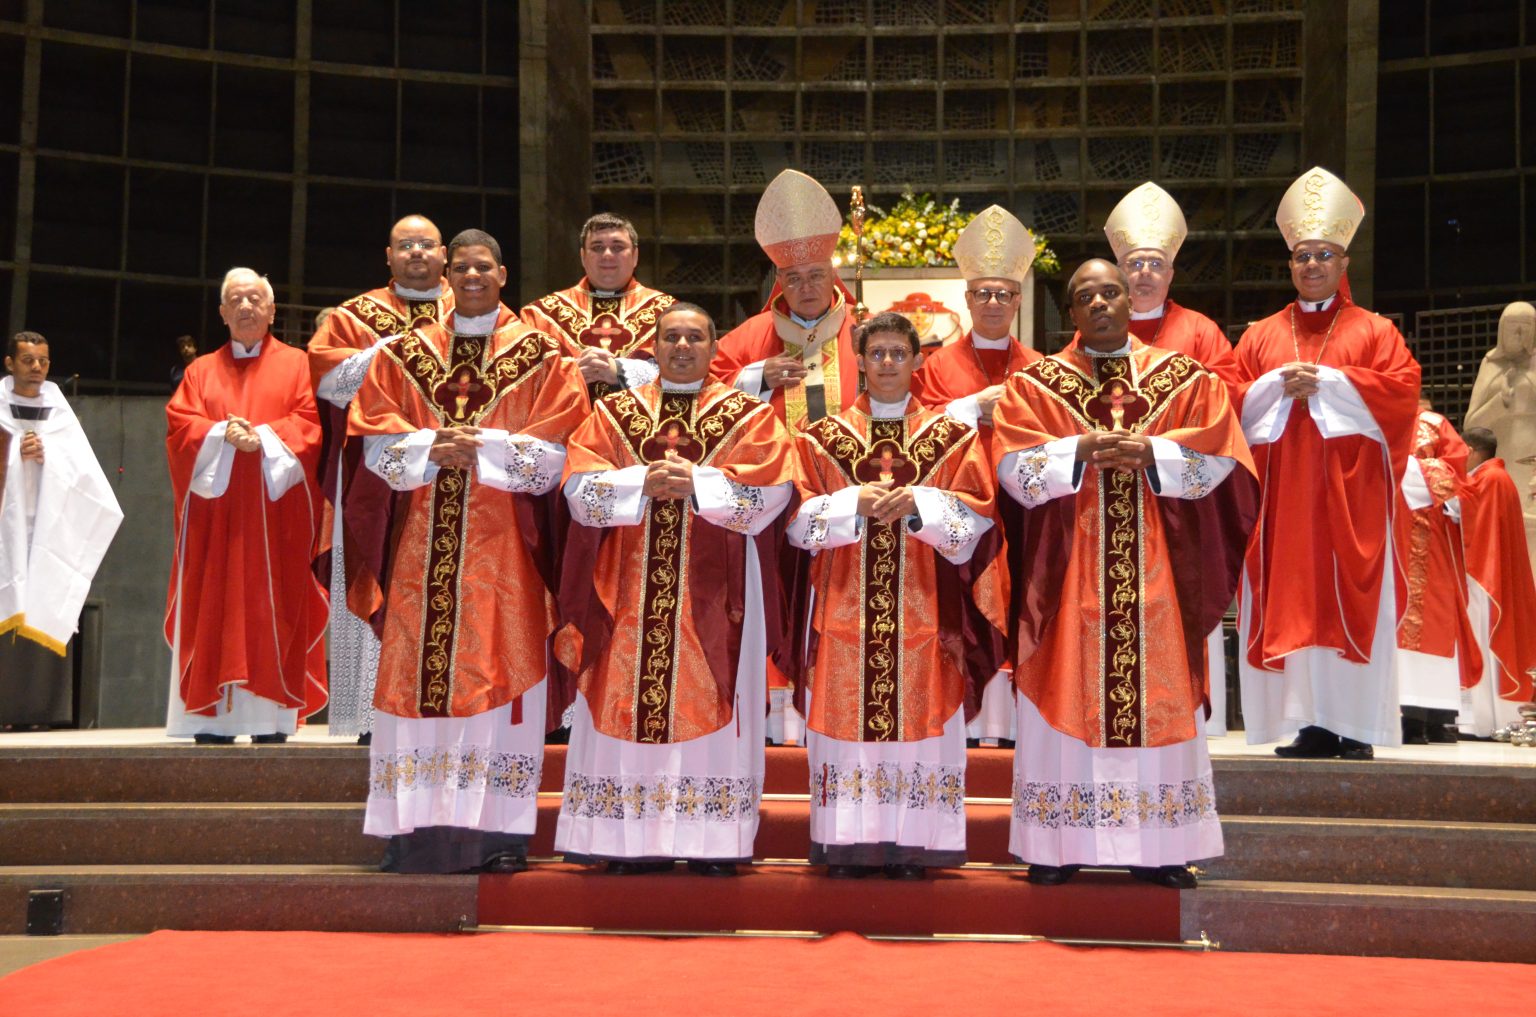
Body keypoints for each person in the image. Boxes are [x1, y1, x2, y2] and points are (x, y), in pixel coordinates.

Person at [992, 259, 1258, 888]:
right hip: (1068, 575)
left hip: (1157, 572)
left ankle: (1161, 849)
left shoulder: (1181, 378)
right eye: (1086, 296)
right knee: (1067, 688)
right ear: (1071, 313)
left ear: (1128, 301)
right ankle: (1058, 845)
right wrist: (1076, 449)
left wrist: (1155, 450)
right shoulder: (1038, 386)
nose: (1102, 304)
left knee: (1157, 692)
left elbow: (1224, 458)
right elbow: (1010, 470)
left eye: (1110, 292)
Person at [348, 228, 588, 874]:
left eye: (484, 267)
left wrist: (480, 445)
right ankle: (411, 831)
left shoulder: (543, 355)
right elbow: (374, 446)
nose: (472, 276)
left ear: (504, 273)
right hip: (421, 550)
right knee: (411, 683)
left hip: (503, 549)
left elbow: (559, 453)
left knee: (500, 673)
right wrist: (431, 447)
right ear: (447, 275)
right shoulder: (405, 354)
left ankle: (499, 834)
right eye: (462, 267)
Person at [556, 302, 795, 876]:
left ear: (715, 350)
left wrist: (699, 484)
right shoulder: (615, 413)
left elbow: (773, 494)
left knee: (714, 700)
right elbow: (578, 490)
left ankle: (714, 840)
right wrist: (641, 480)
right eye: (671, 338)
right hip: (626, 595)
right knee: (622, 698)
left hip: (720, 596)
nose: (683, 347)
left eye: (695, 337)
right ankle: (624, 840)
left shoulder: (748, 416)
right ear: (653, 348)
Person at [787, 311, 1006, 880]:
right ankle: (847, 844)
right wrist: (848, 505)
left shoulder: (951, 437)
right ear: (858, 359)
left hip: (924, 612)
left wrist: (922, 506)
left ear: (918, 361)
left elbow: (979, 522)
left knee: (917, 718)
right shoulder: (821, 437)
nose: (887, 363)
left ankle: (913, 845)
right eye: (876, 352)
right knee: (847, 715)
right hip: (844, 609)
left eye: (898, 353)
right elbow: (795, 523)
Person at [1233, 167, 1421, 760]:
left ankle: (1358, 727)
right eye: (1302, 256)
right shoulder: (1262, 334)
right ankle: (1310, 722)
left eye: (1323, 255)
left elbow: (1402, 393)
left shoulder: (1376, 330)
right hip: (1286, 500)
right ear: (1290, 264)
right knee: (1294, 600)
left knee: (1349, 599)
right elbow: (1228, 399)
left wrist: (1334, 383)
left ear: (1343, 262)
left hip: (1351, 498)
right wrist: (1270, 389)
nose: (1311, 265)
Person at [164, 269, 329, 745]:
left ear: (272, 310)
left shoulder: (299, 364)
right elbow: (180, 428)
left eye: (255, 299)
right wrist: (220, 434)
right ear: (221, 313)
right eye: (235, 299)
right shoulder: (200, 372)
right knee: (214, 600)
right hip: (215, 525)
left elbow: (312, 423)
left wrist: (263, 437)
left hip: (277, 523)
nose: (245, 307)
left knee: (270, 607)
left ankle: (270, 719)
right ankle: (210, 720)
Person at [308, 215, 454, 745]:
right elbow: (328, 381)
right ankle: (373, 714)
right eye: (405, 245)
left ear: (444, 254)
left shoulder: (476, 310)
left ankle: (455, 707)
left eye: (426, 244)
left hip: (453, 479)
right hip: (375, 476)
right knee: (374, 579)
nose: (416, 253)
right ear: (387, 257)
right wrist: (395, 349)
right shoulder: (354, 316)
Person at [1104, 182, 1242, 735]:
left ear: (1171, 273)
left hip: (1177, 499)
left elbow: (1224, 404)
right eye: (1133, 263)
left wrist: (1159, 444)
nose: (1142, 274)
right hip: (1106, 500)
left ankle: (1187, 717)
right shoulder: (1096, 330)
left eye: (1153, 264)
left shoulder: (1200, 332)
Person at [908, 204, 1039, 745]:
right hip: (959, 508)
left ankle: (1011, 721)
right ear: (966, 300)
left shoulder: (1037, 365)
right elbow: (915, 428)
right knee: (963, 605)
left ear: (1017, 301)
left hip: (1022, 507)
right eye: (983, 293)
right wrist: (968, 408)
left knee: (1022, 599)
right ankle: (967, 711)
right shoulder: (935, 366)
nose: (993, 302)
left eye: (1003, 294)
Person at [0, 332, 123, 729]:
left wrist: (46, 457)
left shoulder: (60, 412)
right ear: (9, 363)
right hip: (6, 532)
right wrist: (15, 457)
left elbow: (81, 473)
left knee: (47, 598)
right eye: (27, 360)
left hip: (50, 532)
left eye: (43, 361)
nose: (36, 367)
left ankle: (42, 713)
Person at [712, 169, 860, 431]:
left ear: (833, 274)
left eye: (816, 275)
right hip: (776, 463)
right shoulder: (751, 334)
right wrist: (757, 377)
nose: (806, 287)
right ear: (779, 280)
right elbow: (703, 385)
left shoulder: (865, 328)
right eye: (793, 278)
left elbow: (910, 385)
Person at [519, 212, 675, 400]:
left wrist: (620, 371)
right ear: (583, 257)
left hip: (638, 427)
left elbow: (687, 374)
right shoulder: (541, 315)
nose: (607, 255)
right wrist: (569, 375)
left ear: (635, 256)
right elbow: (522, 384)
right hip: (570, 427)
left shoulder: (669, 314)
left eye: (617, 247)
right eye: (597, 247)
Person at [1395, 399, 1479, 744]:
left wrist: (1407, 468)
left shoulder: (1432, 423)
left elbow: (1456, 472)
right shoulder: (1371, 417)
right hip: (1387, 541)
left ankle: (1434, 719)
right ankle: (1409, 719)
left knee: (1434, 622)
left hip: (1428, 538)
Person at [1457, 427, 1536, 737]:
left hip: (1483, 579)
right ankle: (1485, 718)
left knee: (1483, 642)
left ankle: (1482, 721)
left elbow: (1473, 529)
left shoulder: (1488, 479)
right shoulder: (1492, 478)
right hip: (1486, 575)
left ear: (1472, 450)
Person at [1463, 301, 1536, 578]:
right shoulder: (1490, 364)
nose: (1518, 333)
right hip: (1503, 455)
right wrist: (1500, 400)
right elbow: (1473, 424)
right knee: (1504, 522)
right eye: (1512, 326)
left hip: (1532, 455)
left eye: (1525, 327)